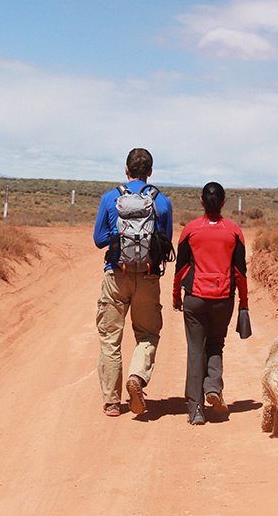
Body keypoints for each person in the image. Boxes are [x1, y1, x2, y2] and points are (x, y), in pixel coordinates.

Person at [93, 148, 173, 417]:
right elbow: (165, 242)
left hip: (116, 274)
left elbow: (98, 239)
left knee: (110, 339)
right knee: (148, 335)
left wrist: (118, 237)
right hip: (148, 277)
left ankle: (113, 402)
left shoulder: (110, 198)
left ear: (126, 170)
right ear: (150, 172)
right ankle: (137, 378)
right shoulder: (162, 202)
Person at [172, 182, 248, 425]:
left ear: (202, 202)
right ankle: (213, 387)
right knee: (216, 343)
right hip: (223, 300)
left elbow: (180, 268)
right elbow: (240, 273)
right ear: (224, 202)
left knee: (196, 350)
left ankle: (195, 409)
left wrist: (176, 296)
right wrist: (244, 303)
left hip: (195, 298)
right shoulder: (234, 231)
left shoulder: (191, 230)